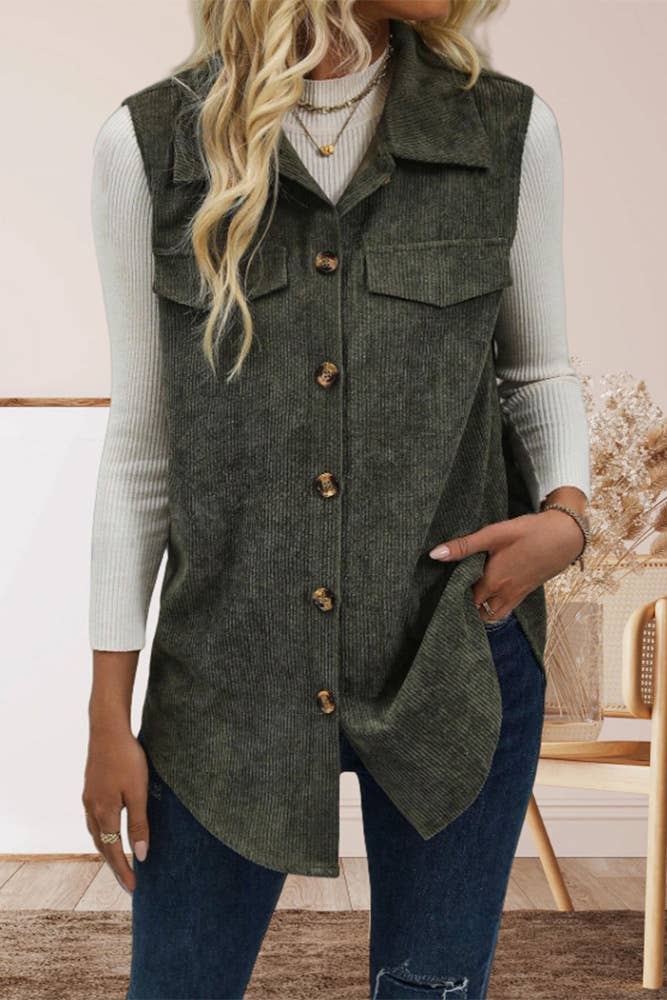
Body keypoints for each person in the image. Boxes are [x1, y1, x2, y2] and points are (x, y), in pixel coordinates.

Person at [83, 1, 591, 997]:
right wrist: (108, 713)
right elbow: (143, 445)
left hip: (451, 656)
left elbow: (537, 372)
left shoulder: (507, 131)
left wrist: (567, 519)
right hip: (226, 678)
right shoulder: (146, 148)